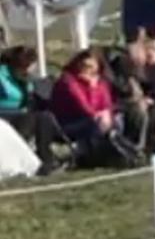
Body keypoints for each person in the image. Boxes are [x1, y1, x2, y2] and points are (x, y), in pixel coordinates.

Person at [48, 49, 140, 167]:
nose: (86, 69)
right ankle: (101, 156)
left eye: (90, 66)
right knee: (96, 123)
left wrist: (106, 115)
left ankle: (125, 152)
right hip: (70, 123)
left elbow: (107, 104)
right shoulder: (68, 81)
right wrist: (92, 88)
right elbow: (84, 108)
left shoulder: (101, 82)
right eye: (83, 65)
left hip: (95, 119)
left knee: (117, 118)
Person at [0, 45, 68, 174]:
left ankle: (46, 160)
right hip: (4, 118)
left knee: (44, 117)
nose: (29, 72)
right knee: (31, 118)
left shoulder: (26, 79)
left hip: (20, 117)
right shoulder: (2, 77)